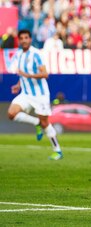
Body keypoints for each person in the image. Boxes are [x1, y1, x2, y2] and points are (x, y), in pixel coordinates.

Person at [7, 29, 63, 160]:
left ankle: (58, 150)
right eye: (21, 38)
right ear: (19, 40)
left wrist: (28, 75)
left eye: (26, 37)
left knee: (46, 123)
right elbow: (22, 75)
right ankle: (36, 122)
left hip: (40, 95)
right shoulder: (19, 54)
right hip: (25, 93)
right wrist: (19, 84)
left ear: (30, 39)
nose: (24, 40)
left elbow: (45, 74)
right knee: (11, 113)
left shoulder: (36, 54)